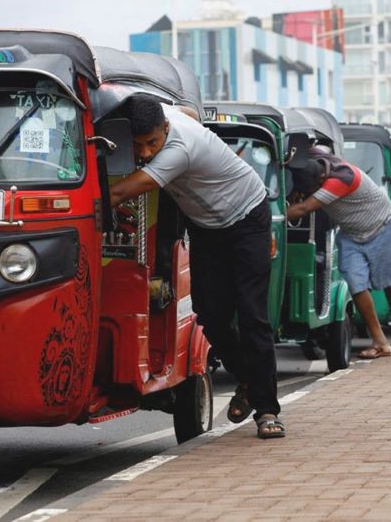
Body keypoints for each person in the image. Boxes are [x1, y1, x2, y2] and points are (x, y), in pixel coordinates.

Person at [109, 94, 284, 439]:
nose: (144, 153)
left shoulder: (179, 149)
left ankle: (266, 411)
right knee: (210, 314)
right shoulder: (171, 114)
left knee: (252, 315)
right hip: (207, 226)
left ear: (166, 129)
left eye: (151, 143)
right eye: (137, 145)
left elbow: (124, 191)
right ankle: (248, 379)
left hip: (247, 217)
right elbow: (189, 110)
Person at [286, 148, 391, 359]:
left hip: (382, 227)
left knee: (389, 283)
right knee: (356, 285)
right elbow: (305, 148)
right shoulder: (320, 160)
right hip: (352, 234)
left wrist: (268, 215)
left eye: (313, 190)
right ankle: (379, 341)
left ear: (321, 178)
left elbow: (303, 209)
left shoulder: (342, 179)